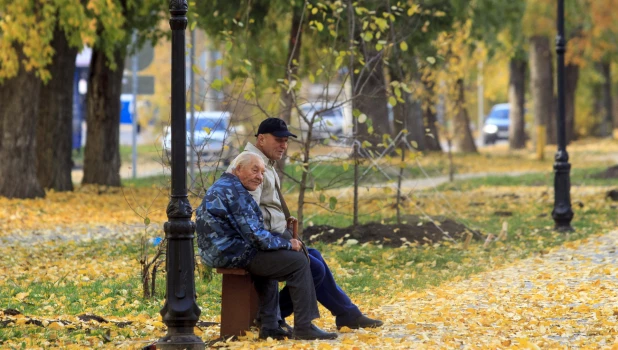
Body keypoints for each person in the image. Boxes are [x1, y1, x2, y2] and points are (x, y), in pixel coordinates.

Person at [238, 117, 384, 330]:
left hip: (277, 235)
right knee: (312, 267)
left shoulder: (264, 163)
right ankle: (270, 315)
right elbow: (249, 213)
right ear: (261, 139)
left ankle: (347, 313)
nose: (284, 145)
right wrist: (278, 240)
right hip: (262, 241)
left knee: (314, 256)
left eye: (286, 141)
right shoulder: (252, 164)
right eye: (279, 140)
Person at [196, 152, 337, 340]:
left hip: (221, 250)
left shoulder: (227, 185)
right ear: (238, 169)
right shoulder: (235, 192)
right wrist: (287, 244)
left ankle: (269, 325)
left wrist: (277, 244)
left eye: (262, 173)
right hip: (231, 252)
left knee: (271, 253)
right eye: (255, 171)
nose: (259, 177)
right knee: (298, 261)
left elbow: (254, 234)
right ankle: (304, 326)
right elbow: (255, 236)